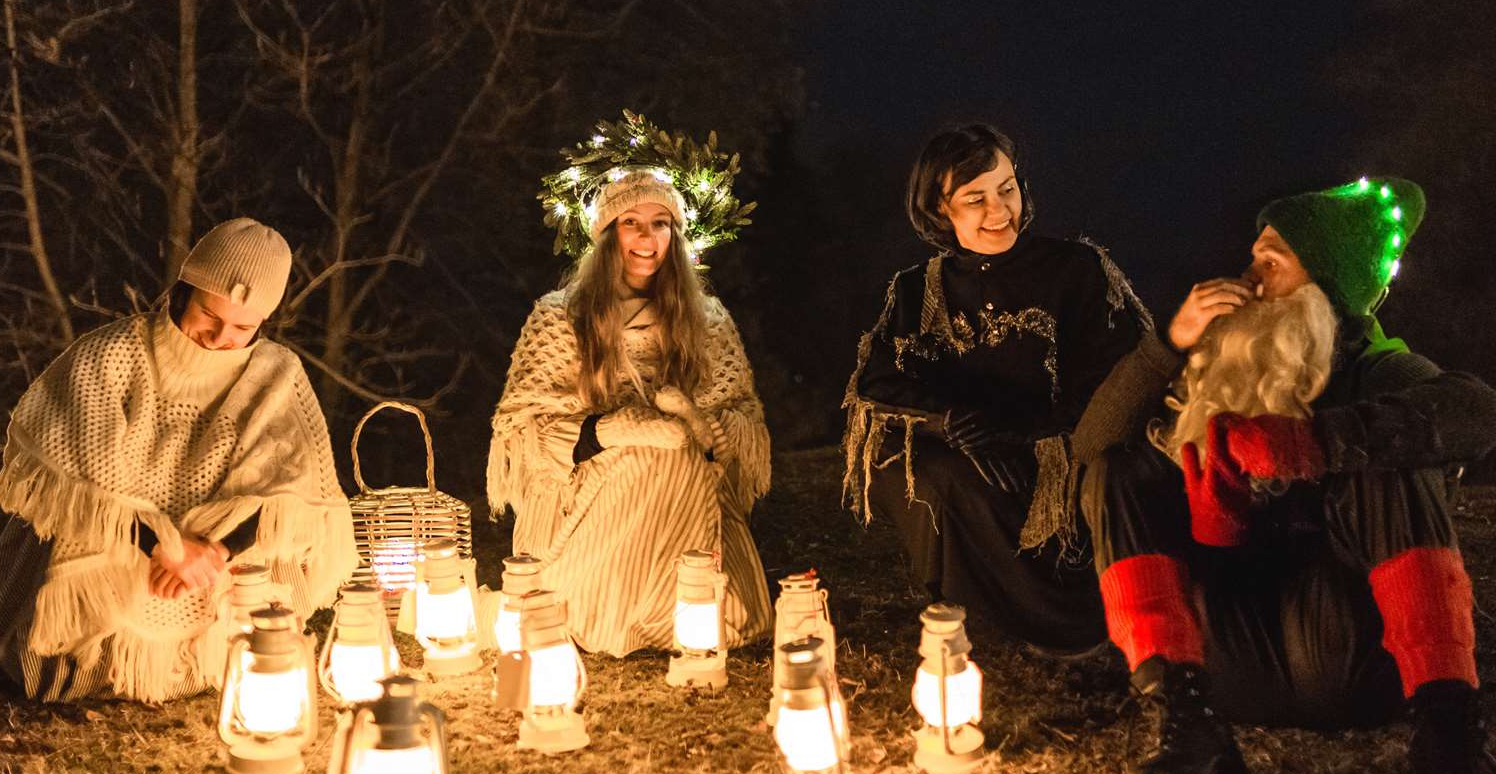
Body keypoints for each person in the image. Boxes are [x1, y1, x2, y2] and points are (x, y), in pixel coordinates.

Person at [1070, 177, 1496, 774]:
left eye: (1270, 258)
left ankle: (1451, 753)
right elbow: (1091, 446)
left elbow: (1484, 411)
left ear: (1322, 286)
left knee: (1389, 460)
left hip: (1352, 655)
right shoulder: (1214, 367)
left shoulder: (1374, 369)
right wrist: (1171, 343)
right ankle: (1192, 737)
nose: (1247, 276)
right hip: (1229, 659)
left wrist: (1316, 443)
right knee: (1119, 470)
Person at [0, 218, 356, 702]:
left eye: (243, 327)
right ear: (185, 290)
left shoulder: (276, 372)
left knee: (259, 585)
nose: (221, 336)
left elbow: (288, 488)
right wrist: (161, 545)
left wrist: (212, 552)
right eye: (209, 314)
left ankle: (197, 655)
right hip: (123, 540)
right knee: (74, 642)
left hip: (217, 550)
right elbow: (83, 480)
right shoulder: (113, 354)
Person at [842, 123, 1150, 650]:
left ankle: (1058, 616)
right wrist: (952, 423)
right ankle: (962, 611)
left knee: (1004, 479)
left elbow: (1112, 378)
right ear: (940, 210)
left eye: (1007, 188)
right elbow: (877, 380)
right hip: (963, 456)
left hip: (1055, 451)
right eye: (974, 199)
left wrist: (1017, 437)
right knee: (913, 461)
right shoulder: (918, 288)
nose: (999, 211)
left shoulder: (1076, 270)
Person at [487, 166, 772, 656]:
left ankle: (682, 606)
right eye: (631, 223)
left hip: (686, 484)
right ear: (606, 235)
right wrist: (610, 431)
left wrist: (710, 429)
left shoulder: (706, 318)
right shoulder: (560, 315)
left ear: (675, 236)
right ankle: (604, 606)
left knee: (675, 456)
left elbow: (739, 417)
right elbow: (525, 427)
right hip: (586, 487)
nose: (647, 237)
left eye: (660, 223)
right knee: (644, 458)